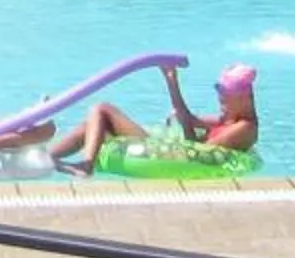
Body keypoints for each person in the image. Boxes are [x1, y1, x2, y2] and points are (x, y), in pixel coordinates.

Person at [52, 63, 260, 174]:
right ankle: (46, 158)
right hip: (168, 148)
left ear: (243, 98)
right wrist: (171, 79)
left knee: (102, 109)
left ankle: (87, 165)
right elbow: (188, 118)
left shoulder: (243, 128)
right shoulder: (228, 120)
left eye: (224, 99)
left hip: (170, 156)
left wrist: (183, 119)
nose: (220, 101)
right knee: (92, 125)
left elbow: (197, 152)